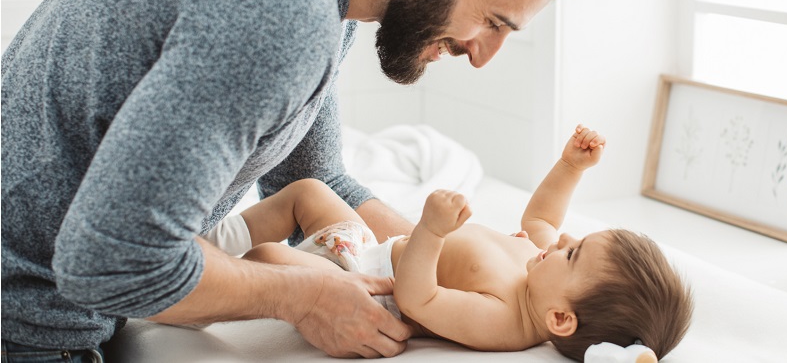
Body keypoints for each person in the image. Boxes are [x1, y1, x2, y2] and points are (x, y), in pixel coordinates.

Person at [0, 0, 572, 360]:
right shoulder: (282, 11)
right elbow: (109, 263)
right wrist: (299, 296)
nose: (482, 56)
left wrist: (450, 257)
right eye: (494, 22)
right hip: (26, 323)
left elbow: (310, 177)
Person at [229, 126, 694, 362]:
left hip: (354, 286)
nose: (565, 238)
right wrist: (570, 168)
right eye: (578, 239)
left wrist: (430, 230)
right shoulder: (540, 263)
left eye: (573, 253)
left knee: (269, 259)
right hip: (367, 247)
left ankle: (206, 268)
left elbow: (419, 297)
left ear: (560, 318)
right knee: (308, 192)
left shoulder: (507, 319)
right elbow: (541, 217)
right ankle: (210, 239)